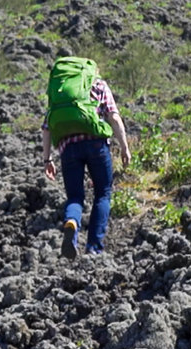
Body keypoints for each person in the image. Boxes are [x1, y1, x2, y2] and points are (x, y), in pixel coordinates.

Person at [42, 56, 132, 257]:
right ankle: (94, 248)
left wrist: (47, 159)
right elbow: (114, 117)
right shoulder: (98, 84)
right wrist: (125, 147)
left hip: (68, 148)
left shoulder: (59, 90)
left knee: (75, 197)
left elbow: (47, 126)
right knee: (103, 193)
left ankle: (72, 223)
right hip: (95, 144)